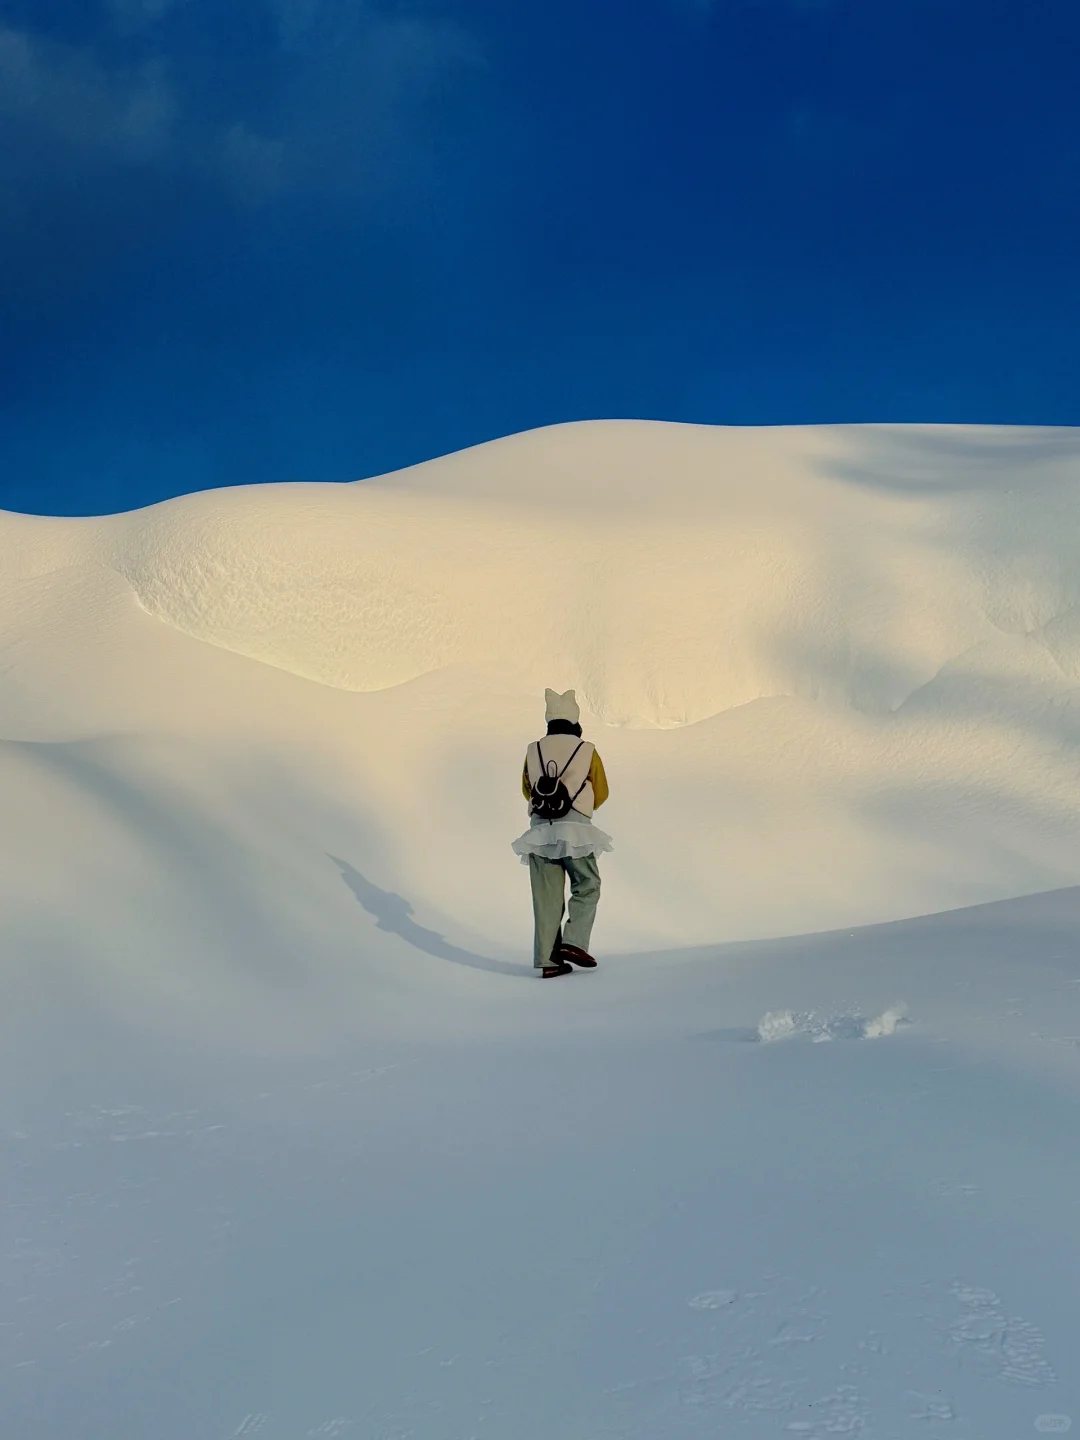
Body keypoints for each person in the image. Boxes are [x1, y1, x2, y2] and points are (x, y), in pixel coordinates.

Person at [512, 689, 612, 978]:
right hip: (576, 829)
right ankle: (573, 941)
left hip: (539, 832)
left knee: (546, 898)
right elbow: (601, 790)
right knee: (587, 884)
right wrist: (580, 808)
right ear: (575, 720)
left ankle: (548, 961)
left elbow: (526, 789)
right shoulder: (586, 749)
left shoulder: (533, 749)